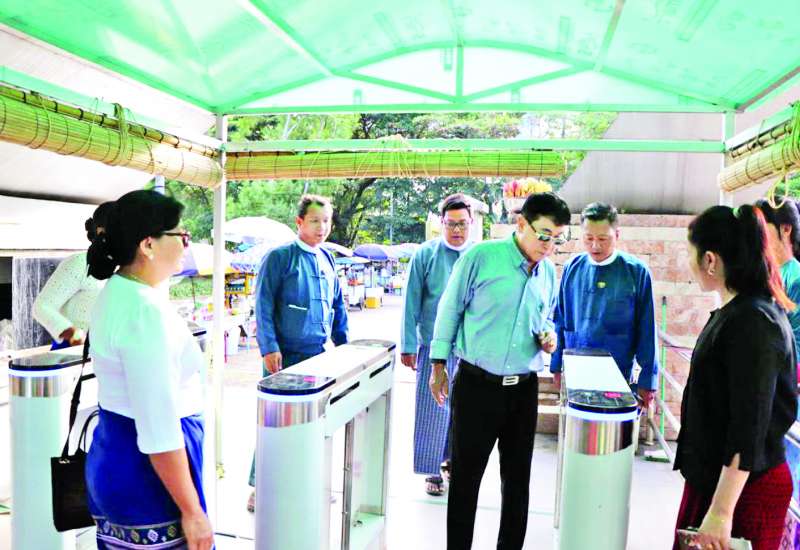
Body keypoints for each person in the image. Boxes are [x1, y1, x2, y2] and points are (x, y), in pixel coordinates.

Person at [430, 192, 570, 550]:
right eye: (544, 235)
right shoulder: (481, 257)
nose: (549, 245)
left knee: (518, 481)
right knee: (465, 479)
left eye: (557, 238)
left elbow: (545, 317)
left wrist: (548, 336)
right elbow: (449, 309)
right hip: (477, 385)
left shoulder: (548, 273)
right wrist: (438, 363)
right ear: (521, 223)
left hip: (523, 389)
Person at [84, 190, 213, 550]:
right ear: (148, 245)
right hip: (148, 474)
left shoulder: (118, 291)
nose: (186, 243)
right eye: (180, 234)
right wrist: (192, 511)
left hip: (117, 455)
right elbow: (159, 428)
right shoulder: (145, 312)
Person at [673, 204, 797, 550]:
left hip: (743, 491)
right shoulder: (739, 312)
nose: (689, 262)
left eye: (690, 253)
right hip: (718, 482)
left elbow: (749, 425)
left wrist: (721, 512)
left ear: (710, 260)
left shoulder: (753, 322)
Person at [248, 194, 349, 511]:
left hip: (319, 356)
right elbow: (263, 304)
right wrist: (269, 347)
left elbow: (338, 306)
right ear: (300, 222)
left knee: (314, 424)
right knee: (274, 424)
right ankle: (260, 487)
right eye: (315, 220)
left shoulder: (328, 259)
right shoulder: (280, 257)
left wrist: (345, 346)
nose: (322, 227)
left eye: (326, 221)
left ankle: (309, 484)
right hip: (283, 357)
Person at [401, 193, 474, 496]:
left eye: (462, 224)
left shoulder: (478, 255)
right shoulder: (425, 254)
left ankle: (454, 462)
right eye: (451, 224)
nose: (457, 230)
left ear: (471, 223)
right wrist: (408, 344)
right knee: (434, 408)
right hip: (432, 348)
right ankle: (433, 469)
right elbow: (410, 301)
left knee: (464, 411)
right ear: (441, 223)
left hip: (469, 349)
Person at [551, 202, 658, 407]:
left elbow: (647, 328)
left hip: (618, 371)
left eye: (602, 239)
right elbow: (561, 319)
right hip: (577, 369)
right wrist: (556, 365)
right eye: (589, 238)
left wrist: (648, 380)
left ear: (617, 235)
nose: (595, 246)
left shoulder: (636, 272)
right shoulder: (572, 268)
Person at [33, 201, 115, 349]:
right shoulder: (79, 263)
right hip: (74, 351)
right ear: (100, 231)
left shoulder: (125, 266)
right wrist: (73, 334)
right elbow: (42, 306)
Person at [754, 198, 800, 365]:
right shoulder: (765, 273)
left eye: (762, 228)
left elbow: (796, 346)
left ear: (786, 229)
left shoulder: (796, 279)